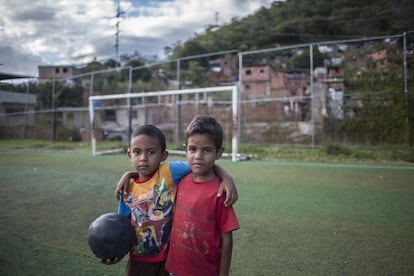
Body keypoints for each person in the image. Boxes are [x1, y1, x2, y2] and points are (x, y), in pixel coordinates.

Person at [106, 124, 237, 276]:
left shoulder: (170, 172)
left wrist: (226, 177)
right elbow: (122, 228)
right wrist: (116, 252)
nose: (143, 158)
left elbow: (200, 164)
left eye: (151, 152)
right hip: (139, 261)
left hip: (168, 261)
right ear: (129, 154)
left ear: (163, 155)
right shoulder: (126, 189)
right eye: (137, 152)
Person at [165, 116, 240, 276]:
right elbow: (150, 172)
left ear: (219, 153)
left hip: (205, 271)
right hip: (174, 268)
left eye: (207, 150)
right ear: (185, 149)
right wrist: (129, 175)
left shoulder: (220, 191)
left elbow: (227, 239)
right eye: (193, 149)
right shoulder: (180, 180)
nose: (198, 156)